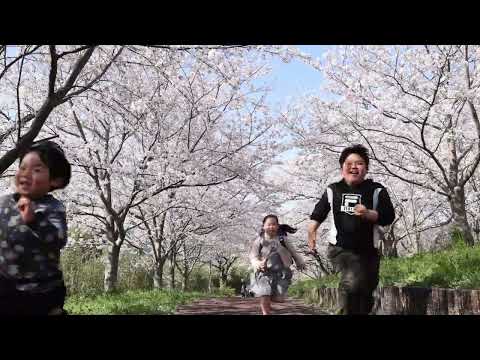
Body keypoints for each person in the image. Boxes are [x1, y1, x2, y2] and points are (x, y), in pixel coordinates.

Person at [307, 144, 395, 315]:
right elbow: (318, 214)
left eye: (359, 163)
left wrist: (369, 213)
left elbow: (388, 216)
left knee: (366, 290)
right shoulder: (333, 190)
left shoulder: (376, 190)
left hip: (369, 250)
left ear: (366, 168)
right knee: (352, 284)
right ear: (342, 168)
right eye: (349, 163)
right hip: (341, 248)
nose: (354, 167)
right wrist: (312, 232)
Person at [0, 141, 71, 316]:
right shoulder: (4, 203)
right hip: (6, 286)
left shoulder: (53, 208)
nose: (26, 174)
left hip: (43, 289)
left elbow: (59, 239)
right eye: (23, 167)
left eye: (37, 170)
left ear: (55, 180)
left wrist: (34, 221)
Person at [249, 214, 305, 315]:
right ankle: (266, 312)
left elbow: (293, 252)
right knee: (264, 292)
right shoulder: (259, 241)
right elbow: (253, 256)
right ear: (263, 226)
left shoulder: (283, 240)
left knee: (279, 298)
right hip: (264, 272)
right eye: (269, 224)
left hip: (282, 272)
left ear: (278, 226)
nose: (271, 227)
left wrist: (299, 262)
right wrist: (257, 263)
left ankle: (271, 299)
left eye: (274, 224)